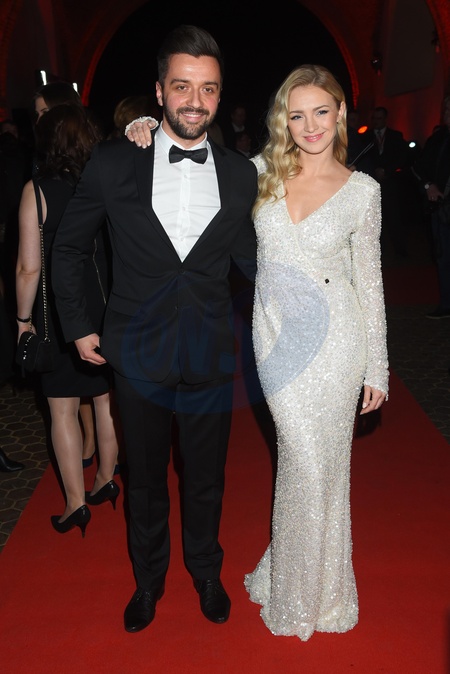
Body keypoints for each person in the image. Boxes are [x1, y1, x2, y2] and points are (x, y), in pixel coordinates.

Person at [51, 25, 257, 632]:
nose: (196, 100)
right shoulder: (116, 160)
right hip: (137, 353)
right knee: (142, 481)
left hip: (211, 352)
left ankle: (206, 571)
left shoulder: (241, 173)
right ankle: (148, 581)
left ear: (220, 95)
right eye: (183, 86)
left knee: (206, 478)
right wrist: (77, 324)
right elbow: (69, 247)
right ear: (160, 91)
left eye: (208, 88)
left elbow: (253, 260)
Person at [241, 65, 388, 641]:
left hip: (338, 344)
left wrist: (377, 367)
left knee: (321, 467)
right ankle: (298, 584)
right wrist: (149, 129)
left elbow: (369, 283)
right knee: (302, 458)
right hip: (276, 340)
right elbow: (198, 169)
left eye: (320, 112)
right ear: (284, 120)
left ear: (340, 113)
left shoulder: (363, 191)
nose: (310, 126)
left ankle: (314, 593)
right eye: (297, 115)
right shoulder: (261, 173)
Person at [16, 104, 120, 537]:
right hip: (106, 305)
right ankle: (106, 479)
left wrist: (22, 320)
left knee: (61, 409)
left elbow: (29, 268)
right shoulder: (105, 180)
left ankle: (75, 503)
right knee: (106, 401)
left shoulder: (37, 190)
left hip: (59, 312)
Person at [412, 95, 450, 318]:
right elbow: (419, 167)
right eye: (446, 109)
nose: (447, 113)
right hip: (442, 209)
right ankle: (447, 304)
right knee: (443, 257)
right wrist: (429, 186)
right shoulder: (438, 139)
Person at [362, 106, 410, 258]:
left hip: (390, 182)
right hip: (372, 183)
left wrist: (387, 170)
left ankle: (400, 250)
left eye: (379, 118)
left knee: (394, 216)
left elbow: (402, 157)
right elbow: (364, 158)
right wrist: (374, 170)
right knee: (374, 219)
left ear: (385, 119)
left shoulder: (395, 136)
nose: (376, 121)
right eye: (374, 118)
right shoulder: (366, 137)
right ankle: (378, 251)